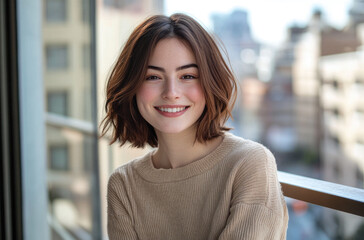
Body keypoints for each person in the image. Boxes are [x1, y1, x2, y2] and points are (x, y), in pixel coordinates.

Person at [102, 13, 288, 240]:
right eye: (152, 77)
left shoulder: (249, 164)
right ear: (132, 86)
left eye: (187, 76)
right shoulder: (123, 185)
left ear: (210, 82)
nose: (171, 92)